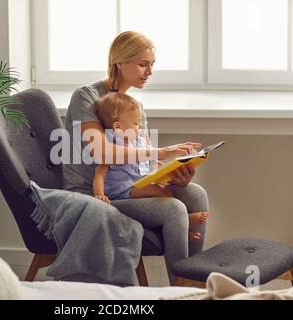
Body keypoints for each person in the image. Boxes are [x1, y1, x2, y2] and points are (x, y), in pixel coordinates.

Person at [63, 30, 210, 285]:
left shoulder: (135, 108)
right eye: (143, 64)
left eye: (152, 64)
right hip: (96, 193)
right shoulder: (86, 97)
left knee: (196, 194)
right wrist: (164, 152)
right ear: (119, 62)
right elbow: (102, 152)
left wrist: (175, 175)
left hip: (130, 187)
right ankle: (180, 288)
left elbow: (147, 166)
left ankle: (193, 282)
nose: (149, 71)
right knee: (174, 208)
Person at [92, 92, 208, 237]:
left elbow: (152, 162)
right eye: (135, 123)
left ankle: (180, 225)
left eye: (140, 122)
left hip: (137, 184)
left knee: (164, 191)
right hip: (121, 191)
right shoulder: (111, 145)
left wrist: (175, 167)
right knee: (157, 191)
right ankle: (184, 223)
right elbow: (99, 174)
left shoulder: (138, 142)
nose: (139, 127)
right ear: (118, 127)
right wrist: (100, 196)